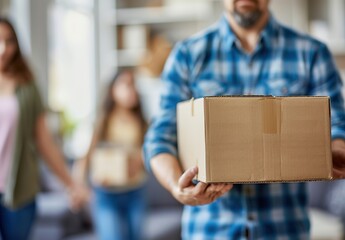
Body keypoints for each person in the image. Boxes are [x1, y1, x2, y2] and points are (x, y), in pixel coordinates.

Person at [143, 0, 345, 239]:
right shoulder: (187, 55)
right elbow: (160, 137)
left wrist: (336, 150)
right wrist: (176, 186)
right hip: (210, 230)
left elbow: (337, 125)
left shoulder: (311, 53)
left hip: (284, 229)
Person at [0, 17, 87, 240]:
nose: (3, 49)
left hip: (19, 190)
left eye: (8, 41)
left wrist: (71, 184)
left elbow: (44, 141)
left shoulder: (27, 86)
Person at [74, 69, 147, 240]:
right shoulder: (101, 121)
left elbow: (149, 153)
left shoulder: (142, 122)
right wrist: (78, 187)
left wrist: (139, 161)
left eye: (133, 84)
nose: (131, 89)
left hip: (134, 191)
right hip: (106, 194)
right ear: (112, 89)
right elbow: (85, 157)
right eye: (126, 84)